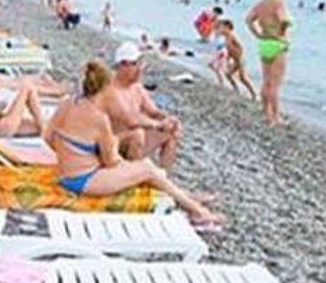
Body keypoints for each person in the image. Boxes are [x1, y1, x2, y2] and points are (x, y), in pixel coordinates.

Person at [44, 62, 221, 229]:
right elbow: (111, 162)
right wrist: (114, 149)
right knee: (149, 169)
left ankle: (187, 200)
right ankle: (198, 212)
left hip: (64, 174)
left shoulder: (68, 103)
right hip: (83, 180)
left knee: (147, 172)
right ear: (105, 88)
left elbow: (48, 137)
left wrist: (71, 153)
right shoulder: (100, 119)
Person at [101, 43, 181, 169]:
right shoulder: (112, 91)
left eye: (139, 64)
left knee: (171, 133)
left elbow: (153, 111)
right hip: (112, 143)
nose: (139, 69)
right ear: (122, 66)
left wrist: (167, 119)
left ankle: (164, 175)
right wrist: (158, 124)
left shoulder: (137, 87)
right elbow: (130, 120)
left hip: (134, 141)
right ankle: (132, 175)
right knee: (137, 134)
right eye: (134, 64)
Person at [245, 0, 293, 126]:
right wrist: (283, 35)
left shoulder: (261, 4)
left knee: (266, 81)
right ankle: (275, 118)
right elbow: (283, 20)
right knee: (275, 84)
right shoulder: (279, 2)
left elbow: (248, 20)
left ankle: (267, 113)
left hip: (264, 43)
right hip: (277, 43)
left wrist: (257, 34)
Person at [213, 17, 254, 98]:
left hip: (239, 60)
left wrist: (238, 56)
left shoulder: (232, 37)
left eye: (222, 28)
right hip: (234, 60)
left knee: (243, 78)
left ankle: (253, 93)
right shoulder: (225, 39)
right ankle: (236, 89)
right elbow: (228, 50)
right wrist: (228, 59)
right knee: (228, 74)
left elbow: (240, 47)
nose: (220, 30)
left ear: (227, 28)